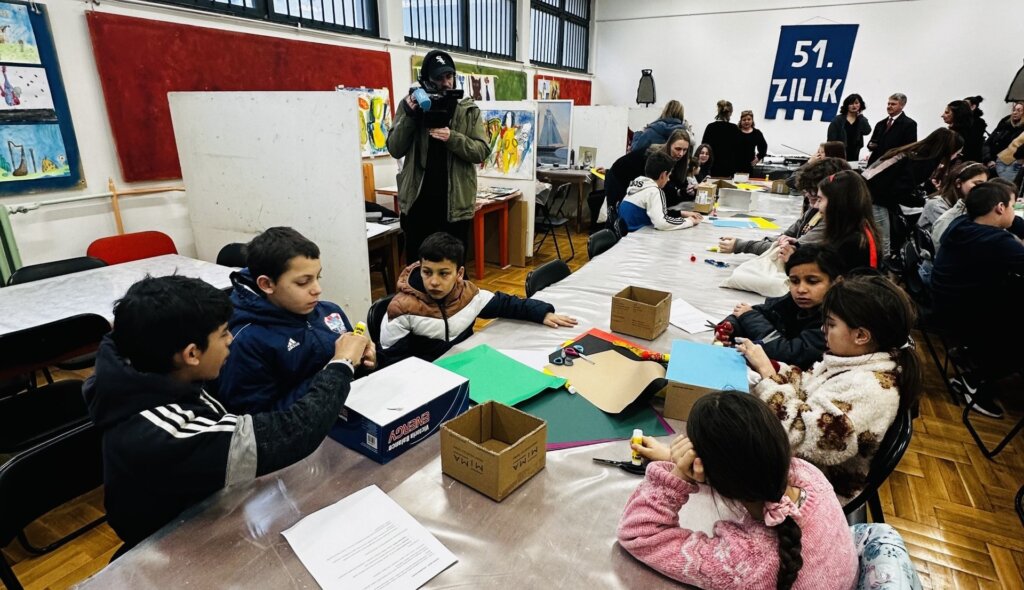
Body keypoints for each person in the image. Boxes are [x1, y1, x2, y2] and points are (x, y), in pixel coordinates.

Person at [83, 275, 373, 551]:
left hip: (210, 505)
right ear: (191, 354)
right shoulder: (166, 434)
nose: (231, 340)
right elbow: (292, 433)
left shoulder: (148, 364)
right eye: (223, 334)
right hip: (175, 541)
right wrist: (342, 363)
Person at [618, 391, 858, 590]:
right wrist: (674, 457)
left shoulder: (744, 564)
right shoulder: (808, 475)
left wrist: (678, 474)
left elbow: (638, 535)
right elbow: (745, 466)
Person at [736, 274, 921, 502]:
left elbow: (797, 436)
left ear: (861, 335)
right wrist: (771, 367)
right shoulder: (850, 359)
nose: (823, 329)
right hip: (798, 467)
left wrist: (767, 376)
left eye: (831, 324)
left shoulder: (870, 389)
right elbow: (804, 384)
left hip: (814, 494)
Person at [214, 227, 372, 414]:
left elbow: (354, 374)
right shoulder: (246, 341)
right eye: (303, 282)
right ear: (267, 284)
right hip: (302, 434)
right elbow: (258, 423)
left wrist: (366, 362)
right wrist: (337, 369)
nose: (317, 289)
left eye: (317, 277)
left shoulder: (330, 311)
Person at [378, 232, 577, 366]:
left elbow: (506, 303)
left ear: (459, 273)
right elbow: (392, 362)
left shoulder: (469, 295)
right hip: (426, 381)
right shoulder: (401, 309)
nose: (433, 282)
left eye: (444, 274)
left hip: (465, 370)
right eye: (427, 272)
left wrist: (542, 313)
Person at [931, 181, 1024, 418]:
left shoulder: (963, 223)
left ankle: (973, 359)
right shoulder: (997, 242)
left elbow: (1013, 225)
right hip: (965, 314)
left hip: (947, 302)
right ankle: (976, 380)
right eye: (1013, 206)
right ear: (1001, 208)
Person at [387, 49, 490, 261]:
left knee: (453, 271)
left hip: (455, 207)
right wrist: (410, 116)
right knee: (417, 269)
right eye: (438, 78)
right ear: (425, 81)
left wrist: (452, 137)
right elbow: (395, 148)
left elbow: (481, 151)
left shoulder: (468, 109)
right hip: (418, 205)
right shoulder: (410, 106)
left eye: (449, 76)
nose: (446, 83)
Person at [716, 244, 842, 369]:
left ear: (837, 282)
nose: (801, 289)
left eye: (812, 281)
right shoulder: (790, 303)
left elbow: (788, 354)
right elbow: (757, 313)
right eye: (794, 281)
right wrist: (731, 328)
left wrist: (748, 317)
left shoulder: (835, 322)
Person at [862, 128, 963, 257]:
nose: (956, 156)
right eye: (957, 152)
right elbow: (899, 191)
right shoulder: (924, 162)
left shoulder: (912, 152)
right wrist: (922, 201)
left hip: (866, 190)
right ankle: (880, 273)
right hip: (875, 198)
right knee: (883, 244)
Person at [719, 157, 849, 256]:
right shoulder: (814, 210)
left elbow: (795, 248)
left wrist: (742, 245)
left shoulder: (832, 220)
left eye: (815, 194)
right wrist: (761, 242)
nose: (807, 195)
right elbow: (786, 236)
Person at [781, 170, 881, 274]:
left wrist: (792, 261)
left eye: (820, 199)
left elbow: (828, 282)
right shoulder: (848, 233)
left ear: (837, 203)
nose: (816, 206)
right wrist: (798, 247)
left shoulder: (853, 243)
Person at [606, 129, 694, 214]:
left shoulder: (679, 160)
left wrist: (687, 191)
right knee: (616, 214)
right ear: (669, 145)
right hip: (618, 177)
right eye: (678, 149)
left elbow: (677, 184)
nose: (681, 154)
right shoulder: (656, 158)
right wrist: (679, 193)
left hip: (632, 177)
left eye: (685, 150)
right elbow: (660, 192)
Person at [619, 151, 704, 232]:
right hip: (637, 237)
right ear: (663, 175)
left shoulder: (636, 186)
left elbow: (659, 212)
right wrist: (689, 221)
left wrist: (682, 213)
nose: (669, 179)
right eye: (669, 175)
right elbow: (661, 223)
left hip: (626, 236)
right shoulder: (654, 191)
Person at [918, 161, 987, 234]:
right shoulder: (936, 205)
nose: (982, 189)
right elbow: (956, 235)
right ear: (958, 183)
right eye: (977, 184)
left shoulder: (969, 205)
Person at [866, 93, 918, 166]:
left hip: (894, 165)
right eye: (888, 104)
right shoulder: (880, 124)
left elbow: (909, 148)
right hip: (875, 164)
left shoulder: (909, 124)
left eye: (893, 104)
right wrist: (871, 145)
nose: (889, 106)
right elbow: (872, 141)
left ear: (902, 106)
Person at [701, 99, 742, 178]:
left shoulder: (710, 127)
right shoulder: (734, 128)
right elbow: (739, 150)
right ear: (730, 113)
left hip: (711, 168)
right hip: (728, 169)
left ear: (718, 111)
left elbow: (704, 147)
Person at [986, 101, 1024, 182]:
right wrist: (988, 159)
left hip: (1009, 167)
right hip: (991, 163)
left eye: (1019, 110)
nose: (1015, 112)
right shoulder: (1005, 123)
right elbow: (988, 143)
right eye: (1014, 110)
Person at [826, 93, 871, 162]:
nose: (854, 106)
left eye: (856, 103)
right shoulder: (838, 120)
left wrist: (861, 117)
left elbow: (867, 131)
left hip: (855, 152)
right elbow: (831, 139)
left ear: (860, 104)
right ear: (847, 105)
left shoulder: (861, 119)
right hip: (839, 153)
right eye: (851, 103)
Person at [736, 110, 768, 174]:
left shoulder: (757, 133)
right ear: (741, 121)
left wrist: (758, 158)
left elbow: (763, 147)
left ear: (752, 120)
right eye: (744, 120)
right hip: (734, 164)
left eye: (749, 119)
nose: (746, 121)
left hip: (749, 165)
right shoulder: (736, 131)